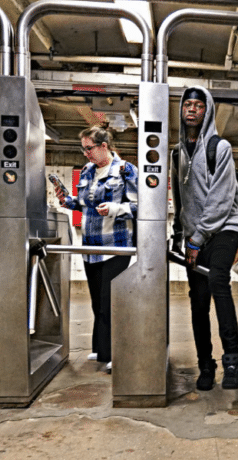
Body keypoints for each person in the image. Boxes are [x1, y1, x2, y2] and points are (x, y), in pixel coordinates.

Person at [171, 86, 238, 391]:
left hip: (224, 226)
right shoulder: (177, 153)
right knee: (198, 302)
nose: (192, 109)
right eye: (187, 104)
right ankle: (205, 364)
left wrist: (197, 239)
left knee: (217, 280)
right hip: (193, 235)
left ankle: (232, 359)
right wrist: (180, 233)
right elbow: (180, 197)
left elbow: (222, 197)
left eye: (198, 106)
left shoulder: (220, 147)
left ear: (207, 111)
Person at [54, 126, 138, 373]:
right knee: (97, 301)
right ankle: (102, 349)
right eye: (83, 149)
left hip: (116, 247)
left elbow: (139, 205)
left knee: (110, 302)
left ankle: (117, 352)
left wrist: (116, 209)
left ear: (104, 146)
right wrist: (66, 200)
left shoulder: (125, 169)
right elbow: (84, 203)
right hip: (91, 248)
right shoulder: (89, 170)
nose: (86, 154)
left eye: (89, 148)